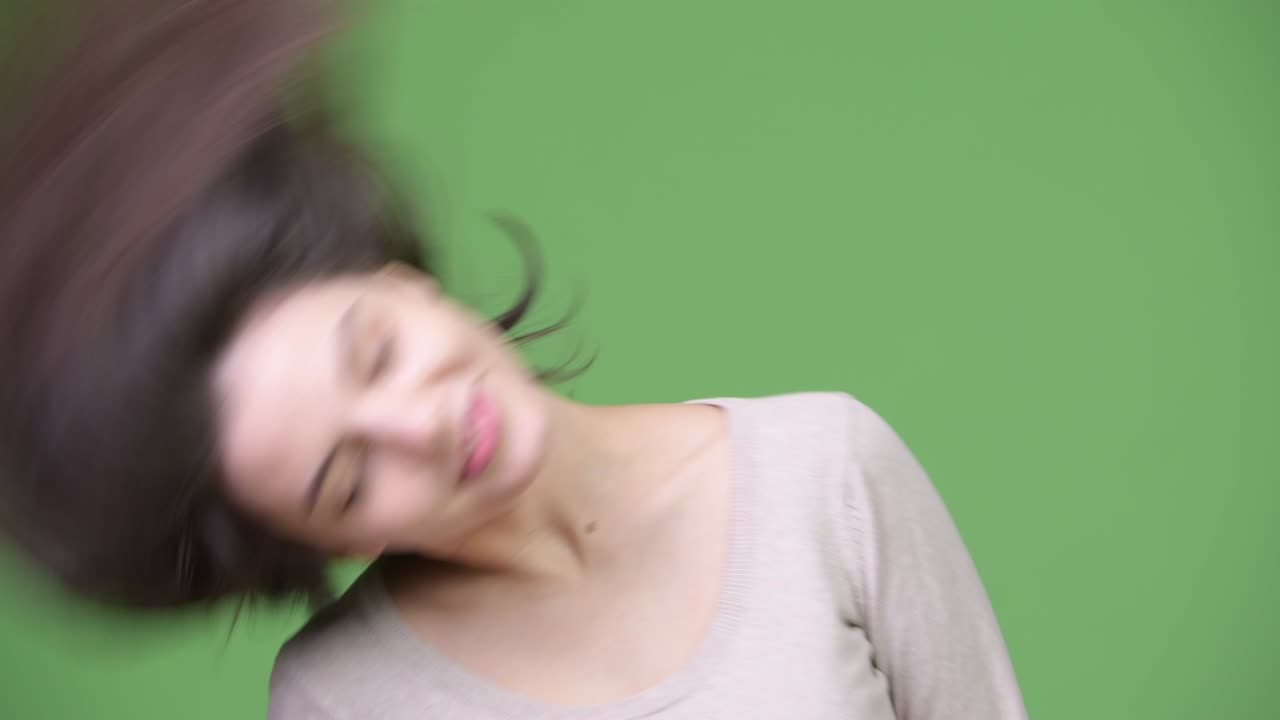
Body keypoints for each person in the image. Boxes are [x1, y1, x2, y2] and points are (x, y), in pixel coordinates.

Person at [0, 2, 1027, 718]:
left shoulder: (824, 472)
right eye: (349, 479)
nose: (420, 426)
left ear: (396, 275)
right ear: (318, 545)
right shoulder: (339, 702)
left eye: (377, 354)